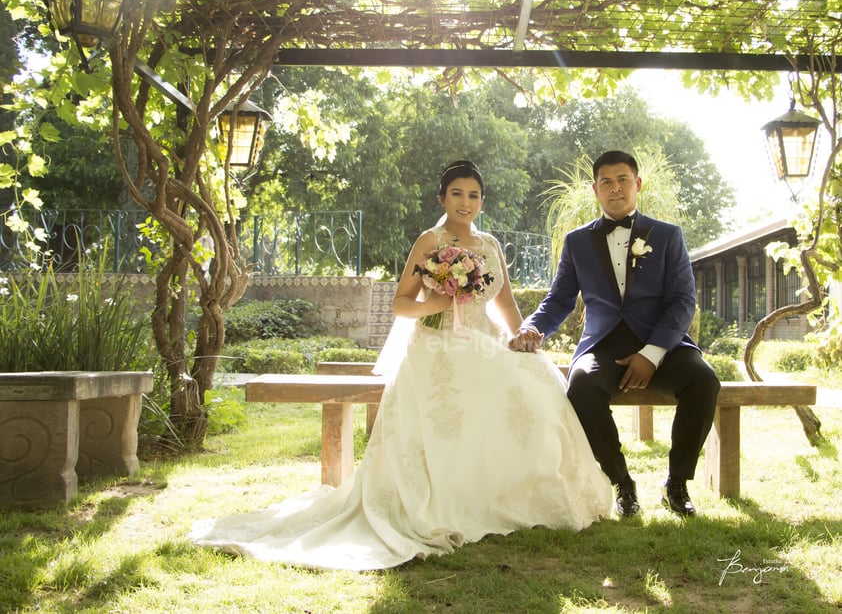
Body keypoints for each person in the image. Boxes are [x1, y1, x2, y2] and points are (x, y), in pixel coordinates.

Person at [191, 160, 613, 570]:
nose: (465, 203)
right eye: (457, 194)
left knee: (536, 384)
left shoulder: (491, 246)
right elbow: (400, 302)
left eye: (474, 195)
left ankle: (521, 491)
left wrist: (522, 336)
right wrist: (434, 302)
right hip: (438, 345)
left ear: (482, 200)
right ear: (442, 198)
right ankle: (450, 501)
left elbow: (502, 302)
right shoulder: (429, 241)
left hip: (484, 341)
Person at [510, 150, 721, 518]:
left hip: (663, 344)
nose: (615, 187)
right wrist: (531, 326)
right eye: (606, 181)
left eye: (623, 179)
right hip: (603, 346)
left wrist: (652, 353)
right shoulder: (577, 242)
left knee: (704, 380)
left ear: (637, 184)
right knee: (581, 387)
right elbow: (559, 299)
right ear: (596, 189)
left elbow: (683, 301)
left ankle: (677, 482)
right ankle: (622, 481)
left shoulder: (668, 236)